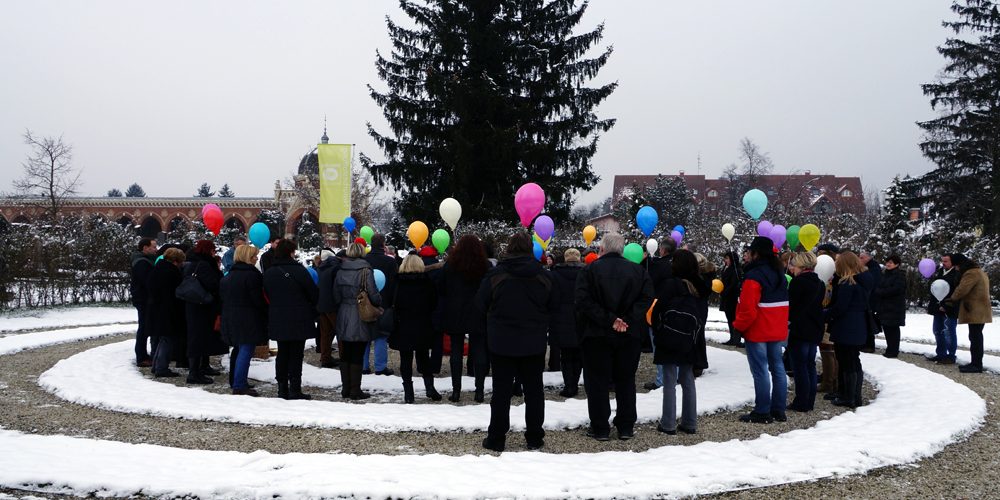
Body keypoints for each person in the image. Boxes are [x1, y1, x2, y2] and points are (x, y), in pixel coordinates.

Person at [477, 232, 557, 452]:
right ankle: (534, 436)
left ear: (509, 249)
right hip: (533, 342)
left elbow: (481, 304)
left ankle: (496, 437)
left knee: (501, 392)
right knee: (534, 392)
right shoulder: (544, 277)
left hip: (502, 343)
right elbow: (554, 306)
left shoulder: (495, 276)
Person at [575, 232, 655, 441]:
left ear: (602, 248)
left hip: (596, 334)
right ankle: (625, 426)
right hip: (628, 334)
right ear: (621, 249)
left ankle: (600, 426)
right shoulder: (637, 271)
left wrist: (611, 320)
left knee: (597, 381)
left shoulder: (589, 270)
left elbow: (583, 301)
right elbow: (647, 298)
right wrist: (625, 319)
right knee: (626, 380)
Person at [733, 236, 789, 424]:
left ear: (756, 253)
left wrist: (738, 327)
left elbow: (748, 309)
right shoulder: (779, 273)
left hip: (758, 330)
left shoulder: (754, 276)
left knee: (760, 370)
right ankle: (778, 409)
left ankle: (762, 410)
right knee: (778, 368)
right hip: (776, 328)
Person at [650, 249, 701, 435]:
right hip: (690, 337)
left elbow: (657, 309)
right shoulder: (698, 285)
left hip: (669, 335)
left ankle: (668, 423)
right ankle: (690, 421)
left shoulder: (669, 284)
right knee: (688, 380)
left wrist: (657, 329)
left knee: (670, 380)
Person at [261, 239, 319, 399]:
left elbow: (266, 294)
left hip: (278, 317)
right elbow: (313, 294)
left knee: (282, 353)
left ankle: (282, 388)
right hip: (299, 317)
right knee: (296, 354)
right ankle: (295, 388)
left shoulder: (270, 272)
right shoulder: (299, 271)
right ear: (291, 253)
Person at [439, 234, 491, 402]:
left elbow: (443, 289)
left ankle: (456, 391)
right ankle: (479, 391)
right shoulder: (486, 266)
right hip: (478, 311)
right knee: (479, 351)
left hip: (456, 311)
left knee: (456, 351)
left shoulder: (450, 265)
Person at [333, 242, 383, 400]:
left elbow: (335, 295)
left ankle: (345, 388)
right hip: (360, 313)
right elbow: (374, 295)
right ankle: (355, 389)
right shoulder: (365, 270)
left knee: (345, 352)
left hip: (343, 313)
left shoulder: (340, 270)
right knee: (357, 353)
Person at [390, 255, 439, 403]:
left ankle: (409, 393)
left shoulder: (397, 282)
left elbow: (392, 302)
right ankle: (430, 387)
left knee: (406, 359)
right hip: (423, 324)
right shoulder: (427, 282)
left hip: (403, 324)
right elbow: (434, 303)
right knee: (424, 357)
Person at [220, 245, 267, 396]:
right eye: (254, 257)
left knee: (238, 349)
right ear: (248, 258)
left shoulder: (228, 276)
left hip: (230, 316)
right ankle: (239, 384)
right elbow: (257, 300)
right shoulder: (252, 276)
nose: (256, 259)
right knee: (246, 350)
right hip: (248, 317)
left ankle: (236, 379)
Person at [825, 251, 869, 408]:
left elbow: (840, 307)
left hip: (846, 326)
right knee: (852, 361)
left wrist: (825, 314)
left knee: (847, 361)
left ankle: (849, 396)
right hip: (857, 326)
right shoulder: (861, 282)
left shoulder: (847, 285)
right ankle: (850, 394)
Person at [181, 240, 228, 384]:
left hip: (194, 305)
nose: (214, 252)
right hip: (202, 306)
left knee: (200, 337)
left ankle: (202, 366)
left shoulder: (192, 263)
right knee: (198, 338)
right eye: (213, 249)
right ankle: (194, 372)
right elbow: (213, 284)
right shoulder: (205, 265)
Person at [786, 252, 825, 412]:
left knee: (800, 366)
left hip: (800, 328)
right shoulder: (820, 283)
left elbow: (792, 306)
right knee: (810, 365)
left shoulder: (798, 283)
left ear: (800, 266)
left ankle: (801, 401)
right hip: (815, 327)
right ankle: (809, 400)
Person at [945, 253, 993, 373]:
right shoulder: (979, 271)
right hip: (980, 309)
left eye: (956, 266)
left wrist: (952, 298)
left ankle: (976, 365)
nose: (955, 268)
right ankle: (975, 363)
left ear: (959, 264)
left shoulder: (971, 273)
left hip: (975, 309)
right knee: (975, 336)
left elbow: (962, 288)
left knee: (975, 337)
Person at [549, 248, 585, 398]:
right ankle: (574, 383)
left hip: (561, 318)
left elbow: (552, 297)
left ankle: (569, 385)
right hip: (581, 317)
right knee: (578, 354)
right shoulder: (586, 274)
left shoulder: (555, 274)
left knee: (565, 355)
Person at [145, 248, 186, 378]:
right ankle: (161, 367)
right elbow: (175, 293)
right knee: (168, 339)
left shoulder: (156, 269)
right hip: (168, 310)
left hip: (156, 308)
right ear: (176, 261)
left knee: (162, 338)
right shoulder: (172, 272)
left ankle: (156, 365)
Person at [643, 236, 677, 390]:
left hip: (658, 307)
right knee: (673, 344)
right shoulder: (678, 264)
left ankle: (661, 379)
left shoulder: (658, 265)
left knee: (658, 344)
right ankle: (675, 376)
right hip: (676, 307)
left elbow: (650, 282)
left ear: (662, 249)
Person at [363, 234, 398, 376]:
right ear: (383, 245)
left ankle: (364, 366)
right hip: (385, 303)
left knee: (365, 335)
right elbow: (394, 284)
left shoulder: (364, 261)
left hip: (365, 303)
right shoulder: (390, 262)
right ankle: (380, 367)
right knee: (381, 336)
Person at [926, 254, 960, 364]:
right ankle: (941, 354)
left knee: (949, 333)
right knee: (937, 331)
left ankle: (951, 356)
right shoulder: (940, 272)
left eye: (946, 261)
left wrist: (947, 306)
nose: (943, 263)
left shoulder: (957, 274)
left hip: (949, 309)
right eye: (942, 261)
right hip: (937, 307)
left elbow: (957, 293)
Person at [130, 237, 157, 367]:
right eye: (153, 247)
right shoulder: (141, 262)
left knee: (146, 326)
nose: (155, 249)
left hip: (144, 298)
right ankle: (141, 357)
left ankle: (144, 355)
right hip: (143, 299)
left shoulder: (145, 261)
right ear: (145, 248)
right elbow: (148, 282)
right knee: (144, 327)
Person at [875, 255, 907, 358]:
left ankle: (893, 350)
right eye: (887, 262)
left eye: (891, 262)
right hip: (885, 307)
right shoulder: (885, 274)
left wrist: (881, 292)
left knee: (893, 329)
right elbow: (879, 286)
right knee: (887, 329)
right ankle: (890, 348)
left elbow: (897, 289)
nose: (888, 264)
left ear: (897, 264)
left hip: (894, 307)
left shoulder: (900, 275)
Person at [316, 249, 342, 369]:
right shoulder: (336, 268)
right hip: (333, 305)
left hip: (322, 304)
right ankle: (344, 358)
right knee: (340, 333)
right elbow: (338, 287)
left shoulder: (321, 268)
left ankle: (325, 357)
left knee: (325, 334)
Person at [692, 253, 716, 376]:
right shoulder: (707, 276)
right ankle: (698, 363)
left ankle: (697, 363)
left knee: (696, 335)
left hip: (697, 306)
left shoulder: (700, 278)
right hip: (702, 307)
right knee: (699, 335)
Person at [719, 250, 743, 347]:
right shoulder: (726, 268)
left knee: (733, 318)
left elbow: (733, 284)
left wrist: (725, 291)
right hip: (726, 297)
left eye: (727, 258)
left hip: (732, 298)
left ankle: (736, 339)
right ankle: (732, 338)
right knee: (729, 318)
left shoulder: (736, 269)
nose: (725, 260)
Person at [859, 251, 882, 353]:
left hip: (871, 300)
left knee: (868, 322)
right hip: (868, 299)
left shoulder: (873, 269)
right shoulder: (870, 268)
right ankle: (865, 344)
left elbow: (872, 285)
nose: (859, 260)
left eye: (861, 258)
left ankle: (869, 345)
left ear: (868, 258)